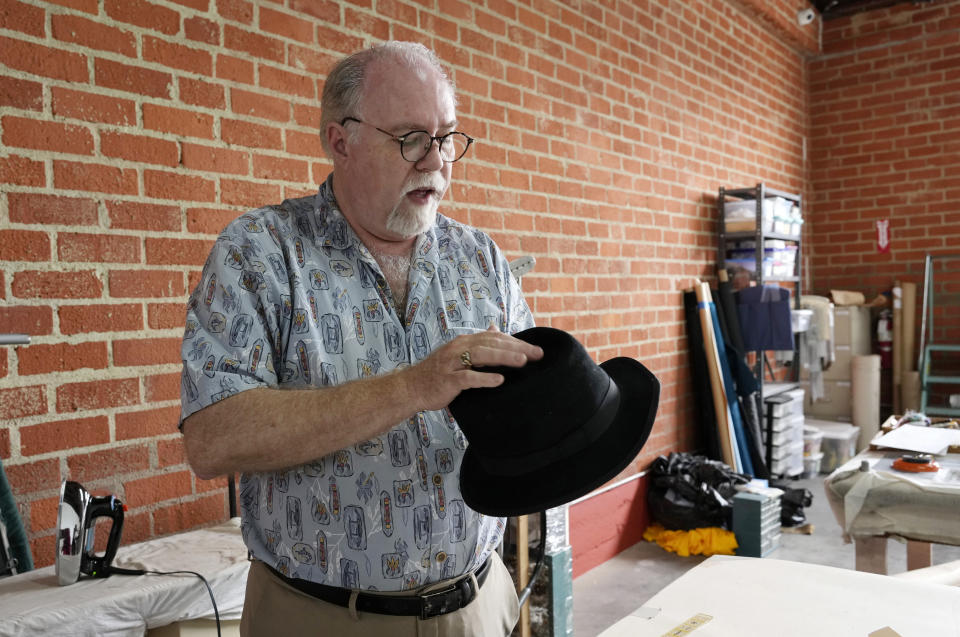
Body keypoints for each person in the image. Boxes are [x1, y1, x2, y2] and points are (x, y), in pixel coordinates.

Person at [179, 41, 542, 637]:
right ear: (339, 141)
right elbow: (212, 438)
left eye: (446, 136)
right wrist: (413, 387)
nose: (436, 161)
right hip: (319, 616)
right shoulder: (260, 253)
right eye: (409, 139)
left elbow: (527, 412)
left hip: (476, 606)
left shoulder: (482, 260)